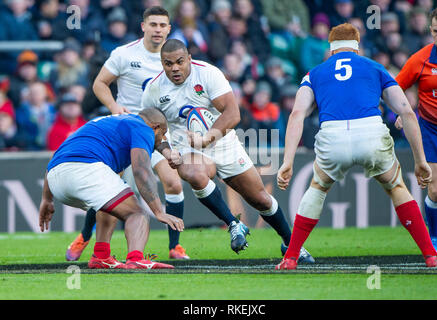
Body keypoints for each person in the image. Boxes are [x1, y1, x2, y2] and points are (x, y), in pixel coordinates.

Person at [275, 23, 437, 270]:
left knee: (318, 188)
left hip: (332, 135)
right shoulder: (376, 68)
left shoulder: (314, 73)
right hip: (370, 133)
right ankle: (431, 256)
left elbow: (297, 114)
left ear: (331, 49)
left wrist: (288, 161)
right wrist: (420, 161)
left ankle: (291, 257)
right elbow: (407, 112)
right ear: (357, 48)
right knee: (396, 186)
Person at [141, 39, 314, 263]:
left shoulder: (208, 74)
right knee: (194, 173)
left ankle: (291, 244)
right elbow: (150, 131)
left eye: (179, 62)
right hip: (187, 146)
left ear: (189, 60)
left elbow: (233, 114)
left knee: (260, 199)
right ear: (162, 64)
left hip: (222, 141)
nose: (174, 68)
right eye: (168, 63)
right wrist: (166, 151)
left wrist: (207, 138)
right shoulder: (154, 90)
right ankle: (234, 224)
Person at [65, 6, 189, 262]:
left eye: (162, 25)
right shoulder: (124, 54)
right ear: (143, 26)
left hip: (156, 133)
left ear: (168, 29)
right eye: (152, 24)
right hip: (124, 133)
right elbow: (100, 83)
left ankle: (174, 246)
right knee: (107, 188)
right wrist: (113, 106)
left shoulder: (175, 58)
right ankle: (85, 236)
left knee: (174, 181)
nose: (157, 29)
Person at [38, 108, 184, 269]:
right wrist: (158, 211)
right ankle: (136, 258)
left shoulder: (107, 122)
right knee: (136, 213)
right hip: (83, 169)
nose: (162, 139)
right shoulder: (142, 127)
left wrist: (47, 199)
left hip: (54, 178)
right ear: (155, 127)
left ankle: (101, 256)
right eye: (162, 134)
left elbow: (59, 156)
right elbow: (141, 170)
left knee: (110, 204)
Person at [394, 6, 437, 255]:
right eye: (436, 32)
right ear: (430, 30)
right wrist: (400, 111)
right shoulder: (421, 59)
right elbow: (394, 87)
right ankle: (435, 235)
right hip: (433, 129)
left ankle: (433, 220)